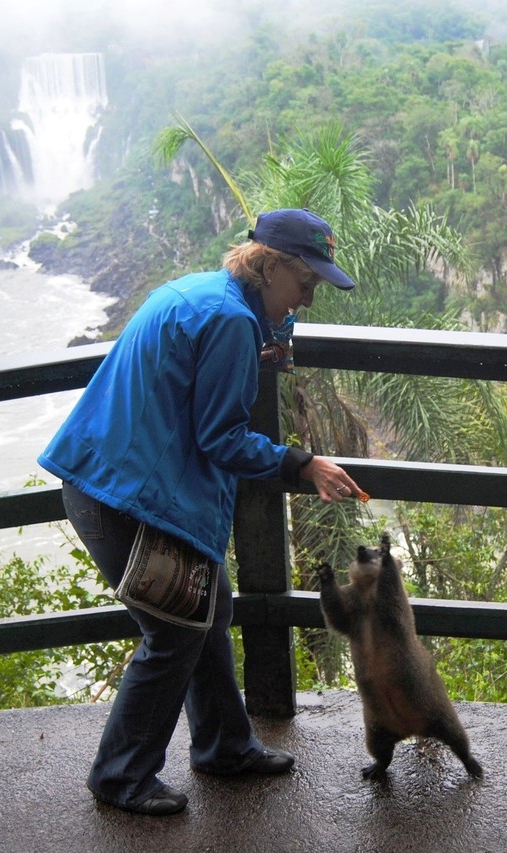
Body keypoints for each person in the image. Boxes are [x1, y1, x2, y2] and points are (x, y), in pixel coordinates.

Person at [37, 208, 363, 816]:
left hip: (120, 483)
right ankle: (120, 776)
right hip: (128, 497)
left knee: (207, 608)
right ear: (270, 266)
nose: (308, 299)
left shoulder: (205, 295)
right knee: (175, 630)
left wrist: (275, 333)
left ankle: (223, 746)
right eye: (306, 284)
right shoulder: (229, 321)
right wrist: (302, 463)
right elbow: (222, 438)